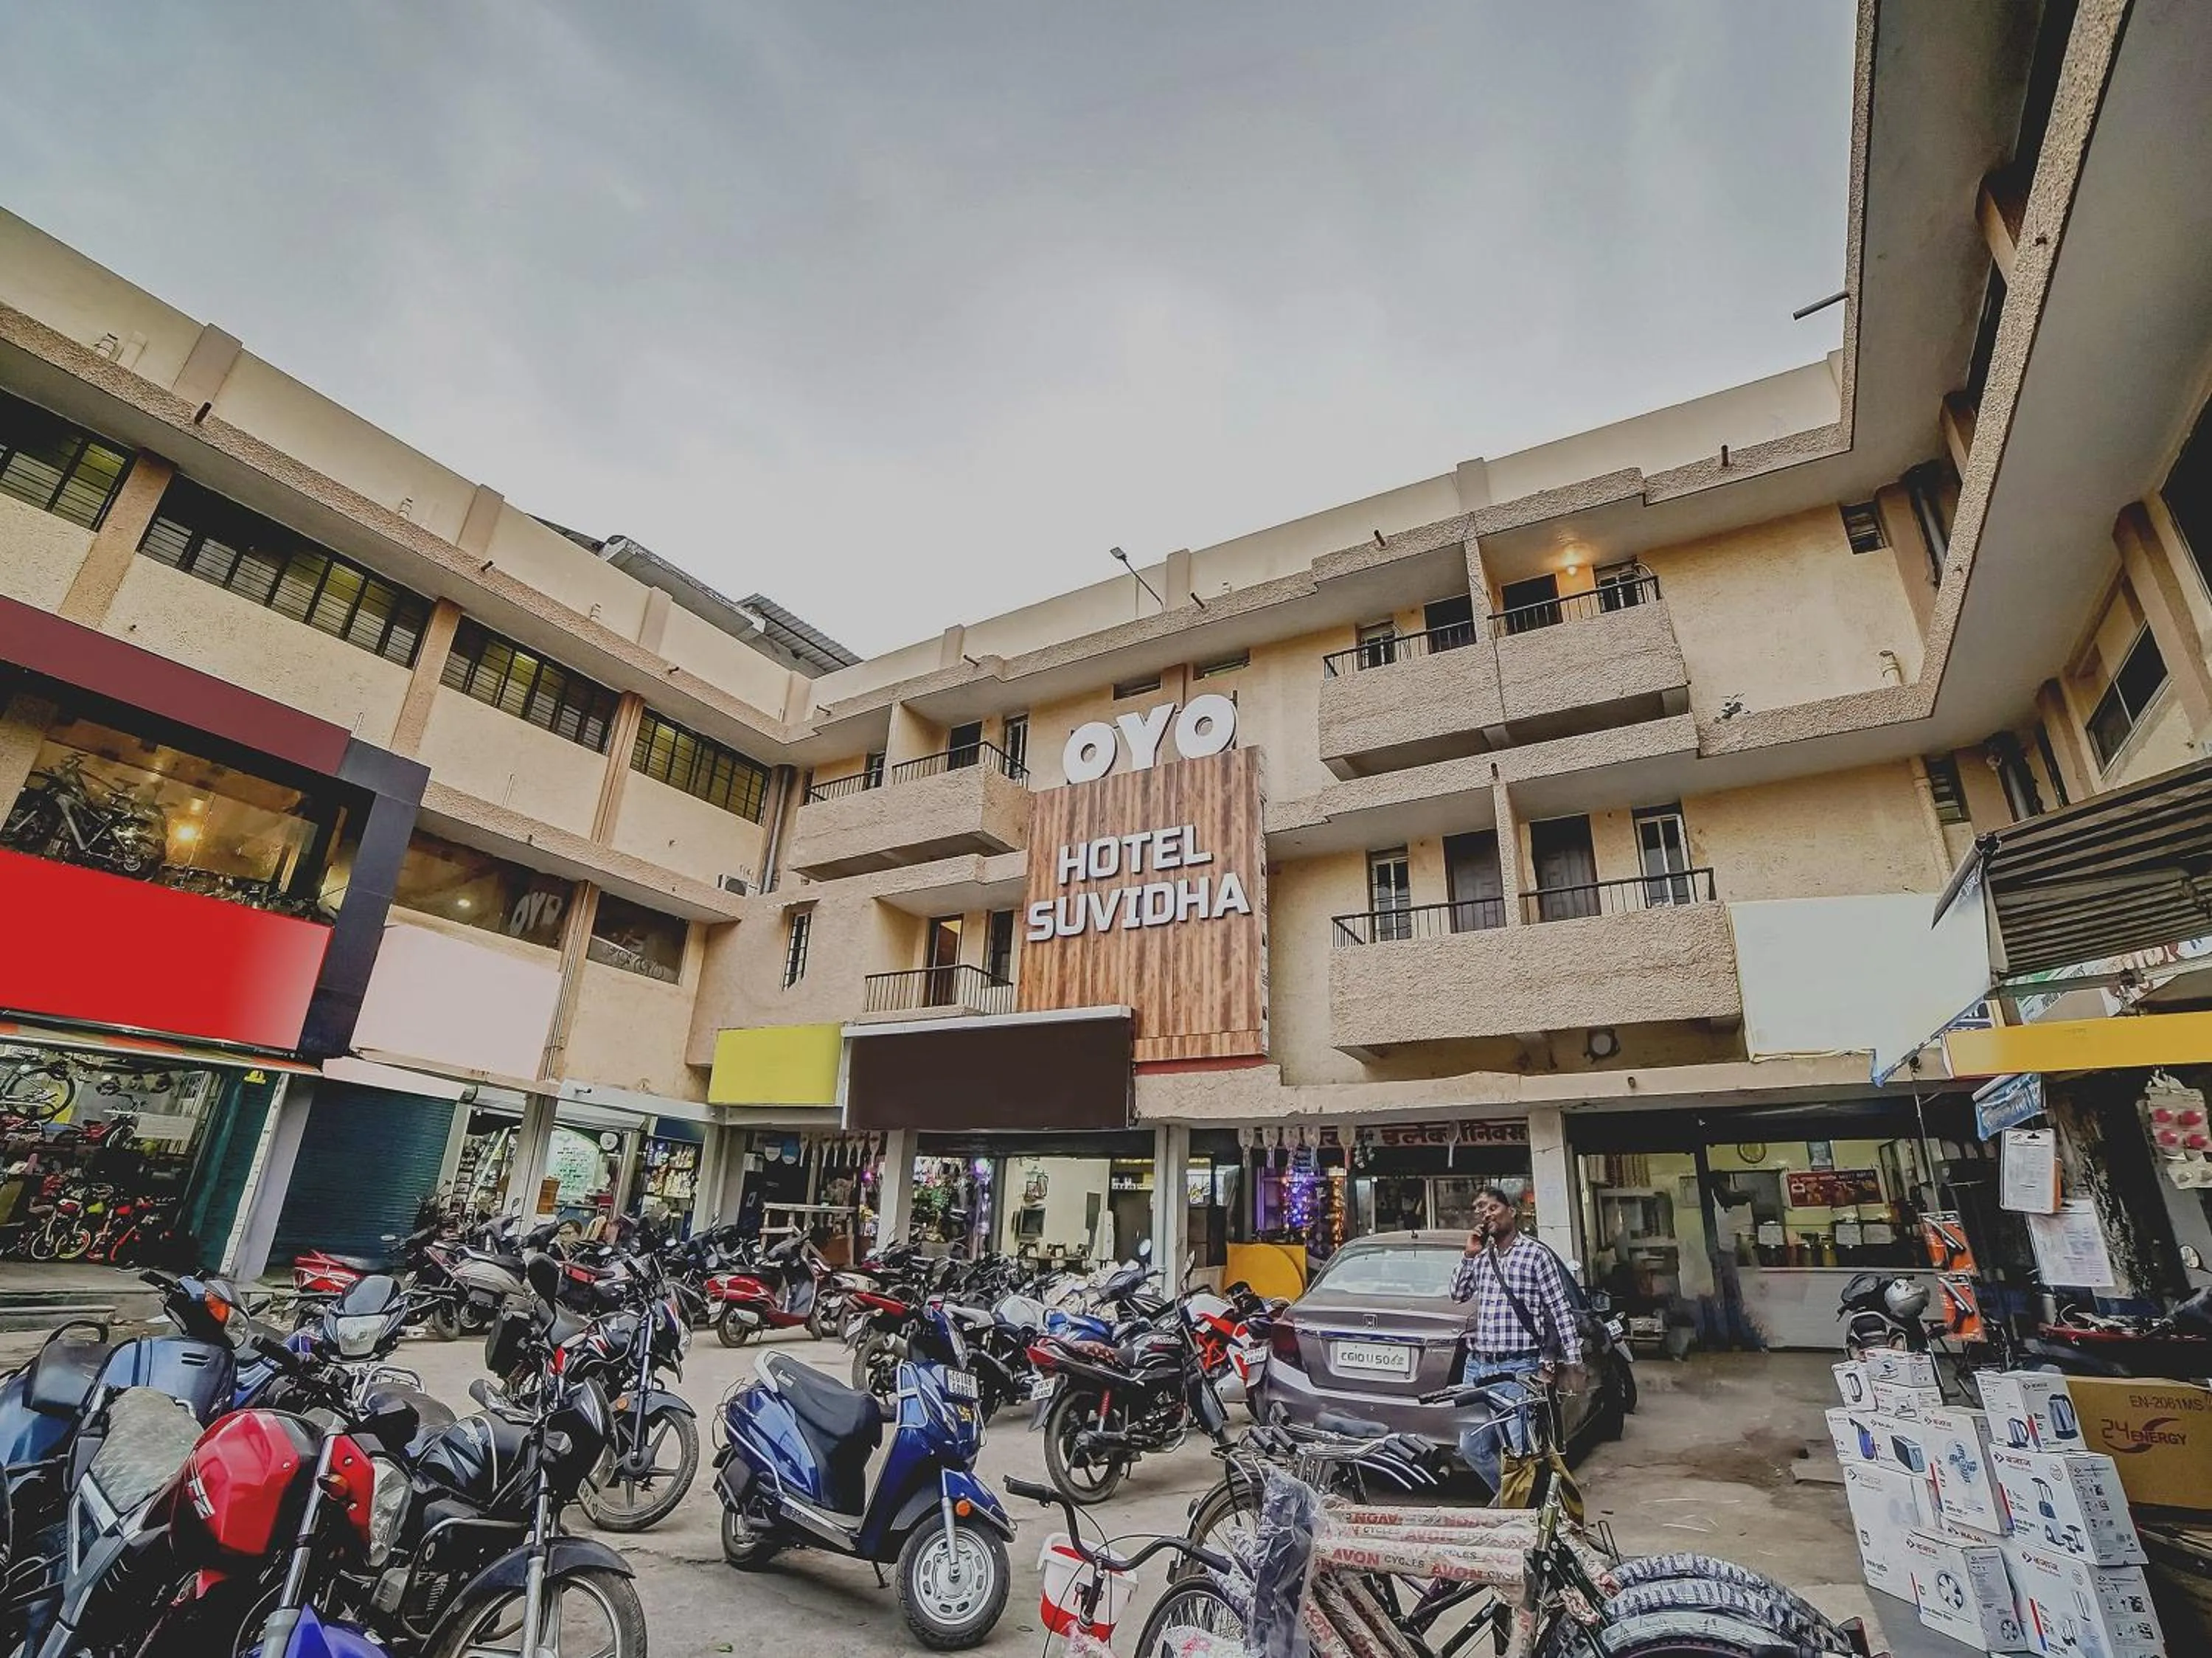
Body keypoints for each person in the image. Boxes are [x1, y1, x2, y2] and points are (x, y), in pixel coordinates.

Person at [1447, 1184, 1585, 1490]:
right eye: (1480, 1211)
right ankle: (1517, 1503)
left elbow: (1559, 1308)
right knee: (1473, 1448)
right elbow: (1457, 1294)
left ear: (1512, 1211)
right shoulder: (1482, 1257)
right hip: (1479, 1369)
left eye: (1492, 1208)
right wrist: (1469, 1255)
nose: (1486, 1215)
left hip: (1518, 1371)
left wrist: (1572, 1361)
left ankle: (1522, 1509)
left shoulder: (1536, 1255)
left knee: (1520, 1451)